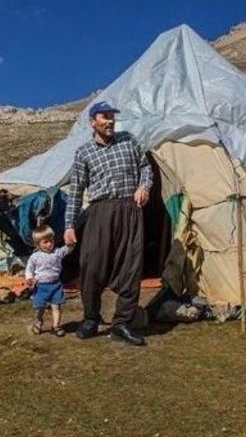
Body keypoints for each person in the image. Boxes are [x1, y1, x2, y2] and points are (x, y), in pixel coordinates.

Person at [64, 101, 152, 346]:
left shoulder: (129, 141)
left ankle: (121, 323)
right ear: (93, 121)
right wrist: (69, 224)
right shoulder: (84, 152)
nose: (111, 120)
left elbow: (146, 168)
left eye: (112, 116)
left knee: (130, 267)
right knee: (91, 265)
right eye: (105, 116)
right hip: (99, 211)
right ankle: (91, 318)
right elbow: (76, 191)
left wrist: (144, 186)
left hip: (129, 209)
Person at [25, 225, 73, 337]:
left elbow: (68, 249)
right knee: (40, 307)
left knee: (56, 306)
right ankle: (39, 321)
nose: (49, 244)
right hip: (41, 286)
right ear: (37, 244)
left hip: (55, 285)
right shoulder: (34, 256)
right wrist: (29, 278)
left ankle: (56, 326)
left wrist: (71, 243)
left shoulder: (57, 252)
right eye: (45, 242)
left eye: (51, 241)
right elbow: (29, 269)